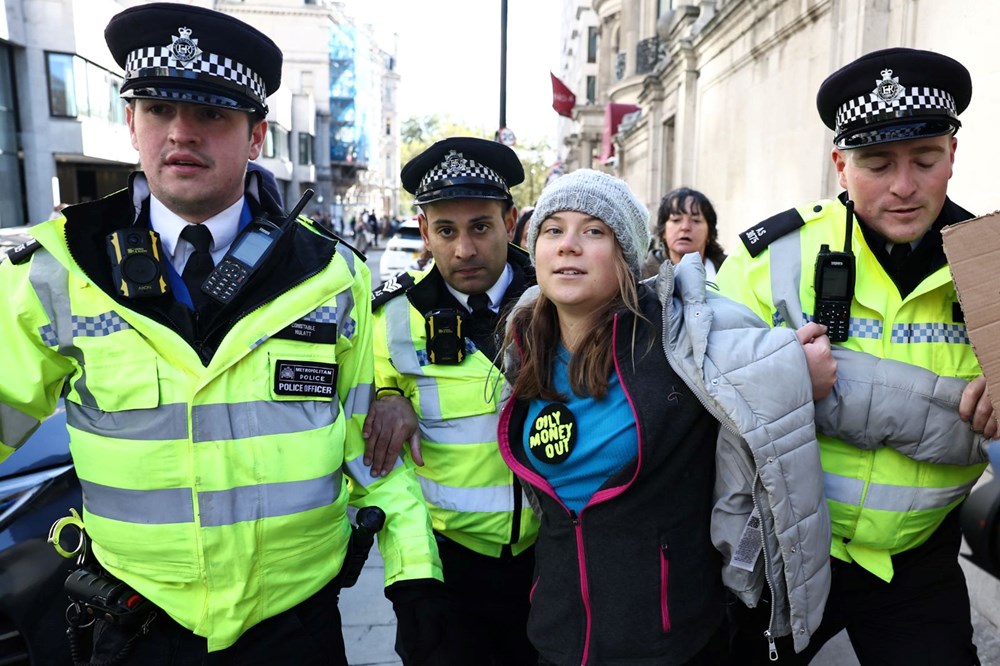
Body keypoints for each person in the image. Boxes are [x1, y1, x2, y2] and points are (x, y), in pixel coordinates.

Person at [0, 4, 444, 664]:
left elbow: (369, 453)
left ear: (257, 133)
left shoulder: (330, 274)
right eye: (157, 109)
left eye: (212, 114)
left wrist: (415, 582)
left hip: (295, 628)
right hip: (134, 628)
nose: (181, 132)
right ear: (130, 122)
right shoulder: (56, 268)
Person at [716, 47, 997, 664]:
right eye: (876, 163)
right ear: (840, 164)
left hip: (917, 567)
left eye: (925, 160)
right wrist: (782, 375)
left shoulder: (992, 269)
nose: (903, 186)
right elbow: (695, 372)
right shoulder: (773, 258)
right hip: (785, 554)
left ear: (953, 154)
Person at [497, 168, 835, 664]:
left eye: (593, 231)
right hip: (558, 636)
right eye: (553, 229)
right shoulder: (522, 344)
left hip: (673, 640)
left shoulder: (680, 344)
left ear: (627, 257)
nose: (568, 245)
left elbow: (864, 389)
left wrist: (794, 373)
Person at [365, 137, 540, 664]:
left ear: (510, 223)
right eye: (446, 230)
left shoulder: (561, 296)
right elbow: (377, 465)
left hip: (553, 563)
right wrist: (415, 581)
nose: (464, 249)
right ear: (424, 231)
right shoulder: (389, 317)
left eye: (480, 227)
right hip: (446, 571)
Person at [641, 187, 727, 280]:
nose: (685, 227)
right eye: (676, 220)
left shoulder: (730, 272)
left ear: (709, 233)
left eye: (696, 221)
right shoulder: (641, 278)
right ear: (663, 231)